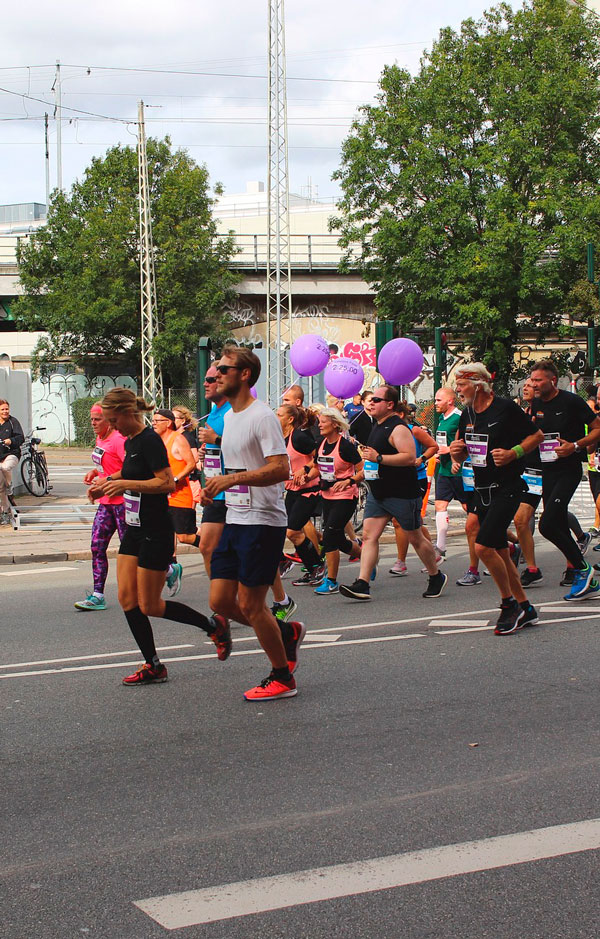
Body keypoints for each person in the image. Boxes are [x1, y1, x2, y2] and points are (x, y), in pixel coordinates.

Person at [88, 387, 231, 685]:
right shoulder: (132, 441)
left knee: (149, 604)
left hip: (155, 529)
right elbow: (133, 473)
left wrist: (124, 483)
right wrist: (106, 481)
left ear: (128, 413)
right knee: (126, 599)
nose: (112, 426)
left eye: (114, 420)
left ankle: (212, 626)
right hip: (135, 528)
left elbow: (165, 483)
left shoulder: (150, 440)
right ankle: (153, 665)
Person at [202, 345, 306, 701]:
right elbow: (235, 468)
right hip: (234, 515)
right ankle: (285, 633)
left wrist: (232, 481)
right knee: (220, 600)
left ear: (245, 375)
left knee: (249, 604)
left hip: (262, 521)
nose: (216, 376)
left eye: (224, 370)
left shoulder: (262, 417)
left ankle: (282, 677)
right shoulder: (230, 417)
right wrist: (216, 486)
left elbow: (281, 469)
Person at [449, 363, 543, 634]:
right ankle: (525, 607)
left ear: (478, 384)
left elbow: (536, 436)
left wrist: (514, 452)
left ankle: (508, 604)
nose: (458, 389)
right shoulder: (467, 413)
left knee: (483, 547)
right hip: (482, 489)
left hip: (508, 486)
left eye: (462, 384)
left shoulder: (505, 408)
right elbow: (466, 452)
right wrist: (457, 452)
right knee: (500, 551)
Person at [340, 385, 447, 601]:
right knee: (369, 536)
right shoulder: (377, 426)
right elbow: (372, 460)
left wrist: (379, 458)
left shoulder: (399, 428)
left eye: (376, 400)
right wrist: (357, 475)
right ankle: (363, 583)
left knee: (416, 538)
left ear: (389, 405)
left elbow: (408, 457)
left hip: (401, 493)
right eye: (370, 399)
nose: (370, 403)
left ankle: (436, 576)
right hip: (378, 493)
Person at [528, 359, 600, 600]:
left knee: (546, 524)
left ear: (552, 380)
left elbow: (597, 428)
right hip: (546, 470)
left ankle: (583, 569)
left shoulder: (571, 401)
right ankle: (579, 573)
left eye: (538, 380)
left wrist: (576, 445)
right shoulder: (536, 403)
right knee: (555, 523)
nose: (534, 384)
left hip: (568, 470)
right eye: (532, 380)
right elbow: (535, 433)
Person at [75, 404, 127, 611]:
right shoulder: (101, 438)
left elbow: (131, 469)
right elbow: (106, 465)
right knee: (97, 546)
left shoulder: (118, 440)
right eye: (91, 420)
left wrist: (106, 482)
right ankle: (98, 595)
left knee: (132, 550)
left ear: (109, 420)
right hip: (106, 504)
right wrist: (95, 473)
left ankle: (167, 570)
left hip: (123, 503)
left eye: (97, 419)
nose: (93, 423)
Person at [272, 403, 323, 610]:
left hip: (309, 491)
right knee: (288, 531)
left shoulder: (299, 437)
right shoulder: (280, 437)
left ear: (290, 419)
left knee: (293, 530)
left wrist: (307, 472)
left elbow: (321, 457)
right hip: (292, 490)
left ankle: (317, 566)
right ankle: (309, 565)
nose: (276, 417)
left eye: (279, 414)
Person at [311, 407, 363, 595]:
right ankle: (366, 559)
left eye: (323, 421)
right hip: (327, 495)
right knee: (338, 538)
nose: (319, 425)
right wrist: (307, 475)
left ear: (334, 423)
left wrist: (348, 481)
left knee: (330, 534)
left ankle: (331, 581)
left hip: (346, 496)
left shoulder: (346, 446)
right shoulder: (321, 443)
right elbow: (319, 467)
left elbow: (363, 471)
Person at [388, 400, 439, 575]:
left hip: (416, 478)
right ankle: (431, 551)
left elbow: (433, 446)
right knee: (409, 522)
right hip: (397, 479)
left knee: (402, 521)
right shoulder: (388, 432)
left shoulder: (414, 430)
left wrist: (422, 459)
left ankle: (401, 562)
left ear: (401, 415)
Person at [152, 408, 198, 597]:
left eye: (157, 420)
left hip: (180, 495)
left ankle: (217, 550)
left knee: (185, 536)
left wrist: (177, 479)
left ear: (168, 423)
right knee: (163, 535)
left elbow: (191, 463)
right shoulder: (156, 441)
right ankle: (170, 569)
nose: (153, 423)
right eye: (152, 420)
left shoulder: (178, 439)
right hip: (163, 497)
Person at [196, 365, 232, 577]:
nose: (205, 384)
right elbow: (216, 452)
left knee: (247, 551)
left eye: (210, 380)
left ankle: (281, 599)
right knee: (207, 547)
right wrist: (206, 453)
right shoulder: (213, 414)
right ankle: (223, 602)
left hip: (236, 491)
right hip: (216, 491)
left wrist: (216, 440)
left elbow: (248, 449)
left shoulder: (233, 412)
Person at [0, 398, 24, 525]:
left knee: (4, 468)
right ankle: (5, 511)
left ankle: (10, 488)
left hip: (11, 454)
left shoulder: (13, 422)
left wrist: (11, 441)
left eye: (6, 409)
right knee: (1, 487)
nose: (5, 411)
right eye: (2, 409)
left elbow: (21, 437)